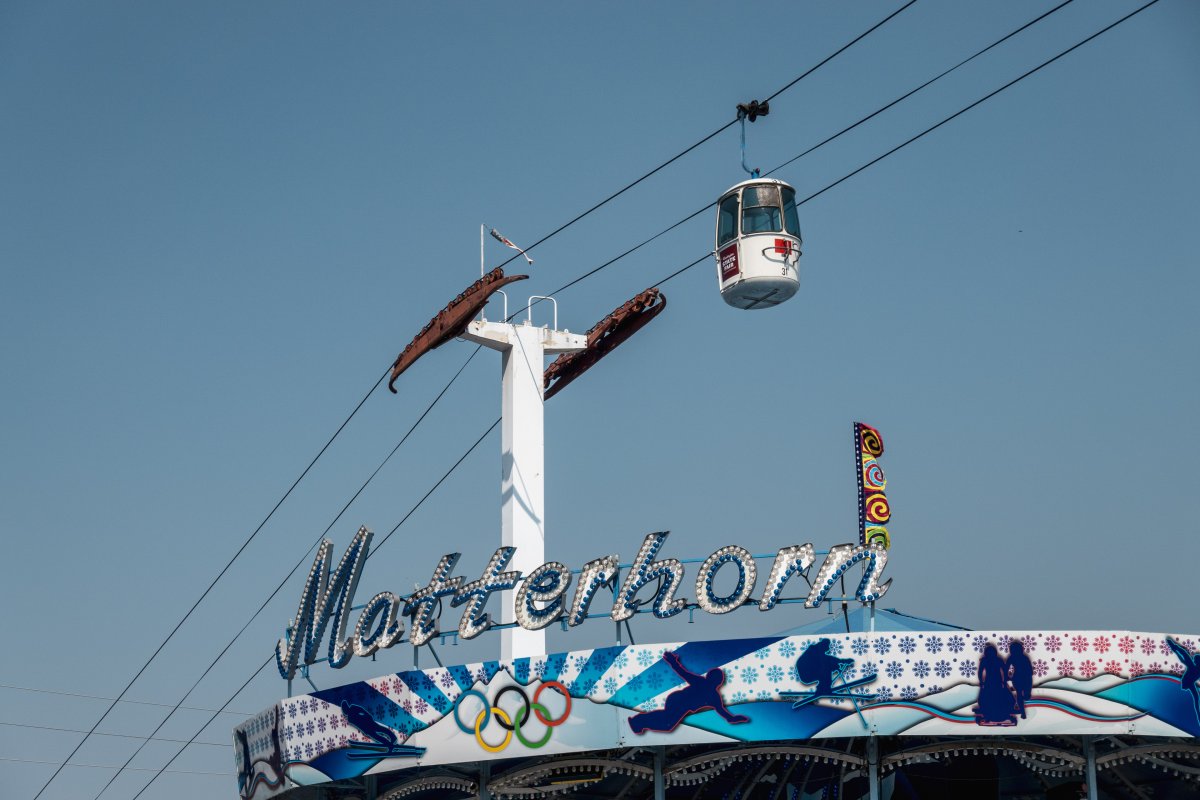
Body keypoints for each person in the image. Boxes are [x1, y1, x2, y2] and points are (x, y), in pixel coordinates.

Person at [629, 650, 749, 734]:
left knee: (667, 724)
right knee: (667, 721)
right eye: (716, 678)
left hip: (683, 707)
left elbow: (724, 714)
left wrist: (734, 718)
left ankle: (639, 722)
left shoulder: (714, 697)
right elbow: (683, 673)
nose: (718, 681)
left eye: (719, 679)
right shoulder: (701, 682)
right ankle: (638, 721)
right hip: (677, 700)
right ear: (711, 679)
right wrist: (673, 662)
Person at [974, 644, 1016, 726]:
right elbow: (1004, 670)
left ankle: (990, 714)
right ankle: (993, 713)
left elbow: (980, 672)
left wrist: (981, 682)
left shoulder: (985, 660)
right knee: (995, 697)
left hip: (992, 682)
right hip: (994, 681)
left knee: (989, 697)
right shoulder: (996, 660)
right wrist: (1004, 681)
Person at [1166, 637, 1200, 725]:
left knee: (1196, 698)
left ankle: (1199, 717)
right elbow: (1184, 656)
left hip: (1189, 683)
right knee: (1196, 698)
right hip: (1186, 682)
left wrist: (1176, 650)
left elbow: (1183, 658)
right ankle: (1174, 645)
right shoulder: (1192, 666)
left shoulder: (1196, 669)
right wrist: (1175, 648)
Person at [1007, 640, 1034, 720]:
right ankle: (1022, 712)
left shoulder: (1014, 658)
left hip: (1023, 677)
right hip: (1022, 678)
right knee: (1020, 694)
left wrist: (1008, 676)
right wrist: (1008, 676)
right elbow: (1030, 671)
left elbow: (1006, 668)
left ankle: (1023, 710)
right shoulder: (1023, 657)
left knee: (1025, 695)